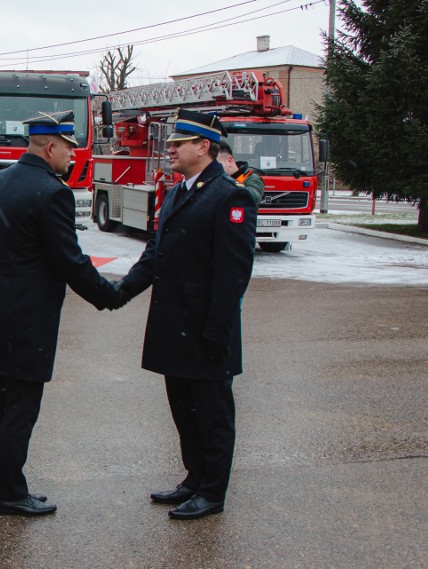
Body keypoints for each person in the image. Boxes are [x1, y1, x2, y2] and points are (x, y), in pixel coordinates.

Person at [0, 110, 123, 517]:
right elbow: (69, 260)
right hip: (25, 319)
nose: (72, 158)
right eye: (69, 150)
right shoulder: (52, 192)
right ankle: (10, 494)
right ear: (51, 147)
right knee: (21, 407)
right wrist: (108, 295)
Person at [116, 109, 257, 520]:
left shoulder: (230, 195)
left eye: (179, 143)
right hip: (174, 324)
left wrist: (218, 329)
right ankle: (194, 478)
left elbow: (234, 273)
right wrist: (122, 290)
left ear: (204, 147)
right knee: (184, 409)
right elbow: (155, 254)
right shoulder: (180, 191)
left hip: (205, 330)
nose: (170, 149)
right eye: (172, 143)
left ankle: (212, 492)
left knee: (212, 414)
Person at [218, 139, 264, 205]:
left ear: (229, 160)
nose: (213, 167)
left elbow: (252, 199)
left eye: (217, 163)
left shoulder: (252, 178)